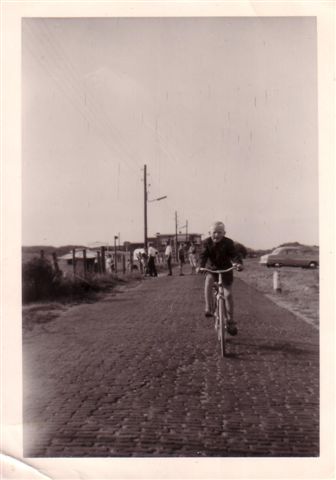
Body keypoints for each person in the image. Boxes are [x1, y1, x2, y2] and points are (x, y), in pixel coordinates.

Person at [198, 221, 243, 336]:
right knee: (208, 282)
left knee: (227, 295)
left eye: (219, 232)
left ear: (224, 233)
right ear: (209, 233)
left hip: (226, 270)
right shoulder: (206, 243)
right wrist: (200, 266)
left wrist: (238, 264)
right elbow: (203, 256)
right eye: (214, 232)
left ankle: (230, 320)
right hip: (212, 270)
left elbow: (234, 254)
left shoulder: (228, 243)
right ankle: (208, 307)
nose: (216, 235)